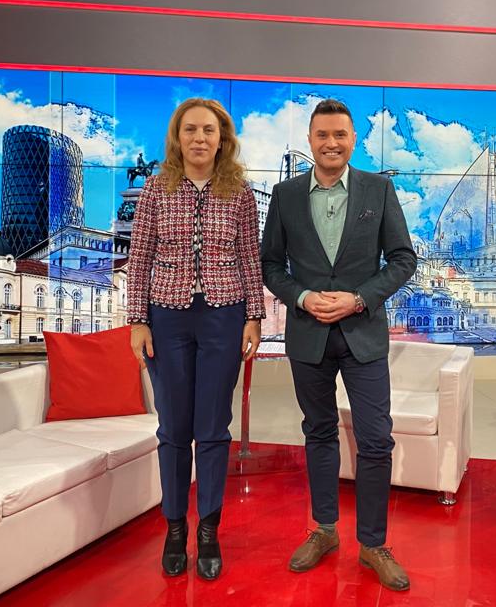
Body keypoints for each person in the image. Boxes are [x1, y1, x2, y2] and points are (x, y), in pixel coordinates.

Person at [261, 98, 417, 591]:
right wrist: (302, 297)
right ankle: (325, 530)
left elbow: (403, 259)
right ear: (311, 140)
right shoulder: (285, 195)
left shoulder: (379, 189)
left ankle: (373, 543)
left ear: (353, 140)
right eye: (323, 135)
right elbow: (271, 265)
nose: (331, 143)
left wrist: (358, 299)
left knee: (376, 440)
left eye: (340, 135)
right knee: (319, 433)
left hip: (363, 334)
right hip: (308, 335)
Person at [126, 97, 265, 580]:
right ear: (177, 137)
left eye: (209, 130)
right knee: (172, 428)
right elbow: (140, 258)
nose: (200, 138)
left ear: (222, 138)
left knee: (212, 427)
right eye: (191, 129)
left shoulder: (240, 193)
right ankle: (174, 528)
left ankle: (208, 529)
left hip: (224, 318)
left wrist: (254, 317)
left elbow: (250, 258)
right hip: (166, 318)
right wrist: (138, 320)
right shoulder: (155, 189)